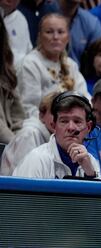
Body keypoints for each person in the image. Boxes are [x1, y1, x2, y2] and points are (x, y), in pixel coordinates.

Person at [12, 91, 101, 179]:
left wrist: (90, 173)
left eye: (77, 121)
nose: (71, 127)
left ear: (88, 127)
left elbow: (99, 193)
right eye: (64, 121)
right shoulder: (36, 160)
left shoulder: (90, 161)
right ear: (54, 126)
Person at [17, 13, 89, 118]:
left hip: (71, 124)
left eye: (60, 32)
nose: (55, 37)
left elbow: (84, 98)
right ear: (40, 36)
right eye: (49, 32)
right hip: (40, 125)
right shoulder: (30, 64)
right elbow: (28, 107)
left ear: (68, 37)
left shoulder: (71, 64)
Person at [0, 92, 56, 176]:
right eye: (54, 113)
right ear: (41, 115)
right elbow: (21, 176)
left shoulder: (53, 137)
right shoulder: (29, 134)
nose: (57, 118)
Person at [0, 15, 25, 144]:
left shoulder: (6, 67)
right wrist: (16, 145)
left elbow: (18, 114)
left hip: (10, 141)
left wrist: (21, 137)